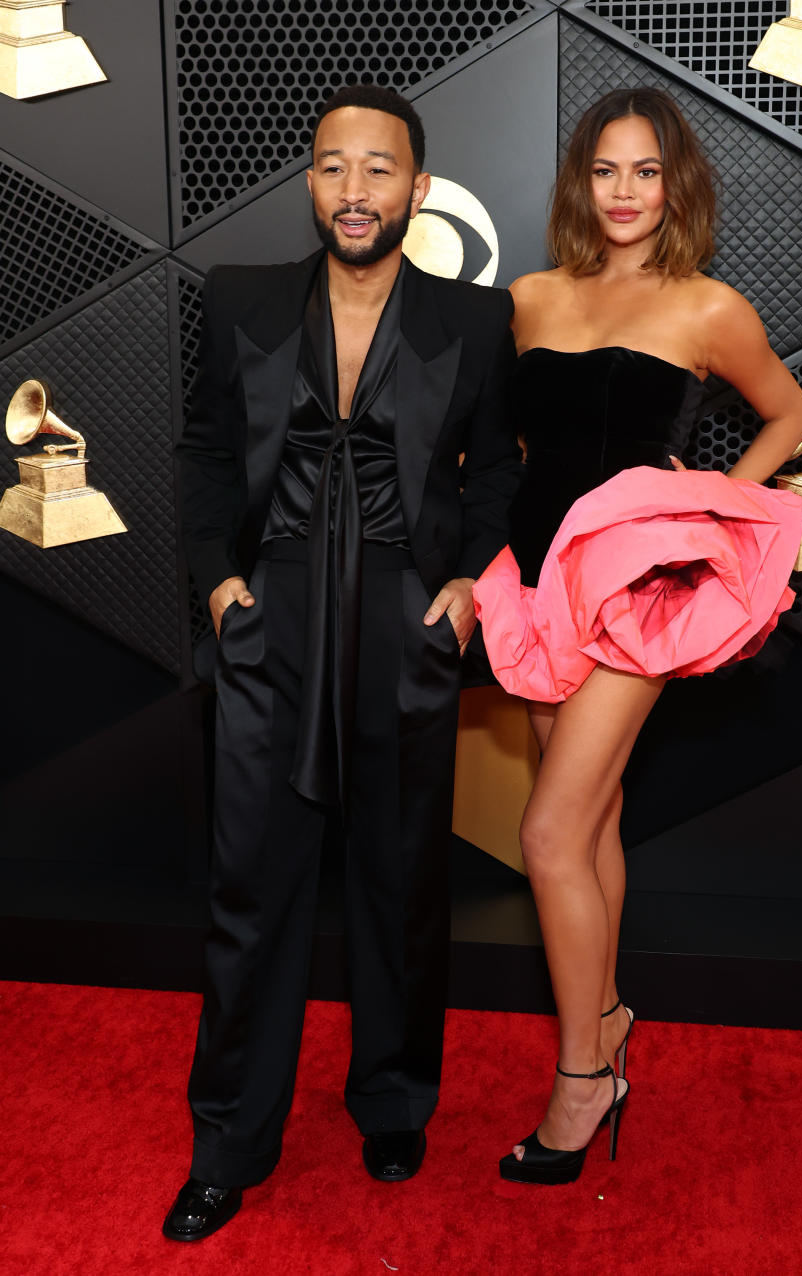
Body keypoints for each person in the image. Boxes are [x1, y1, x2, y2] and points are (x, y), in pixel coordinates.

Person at [164, 84, 522, 1240]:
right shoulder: (237, 299)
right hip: (271, 619)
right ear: (309, 182)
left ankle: (393, 1099)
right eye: (333, 167)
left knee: (402, 879)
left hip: (405, 626)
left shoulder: (473, 319)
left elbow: (495, 474)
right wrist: (220, 585)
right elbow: (207, 450)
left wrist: (467, 586)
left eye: (380, 169)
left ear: (419, 189)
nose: (354, 190)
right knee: (250, 889)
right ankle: (230, 1139)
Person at [473, 87, 802, 1185]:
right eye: (606, 171)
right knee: (597, 816)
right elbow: (518, 437)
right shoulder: (526, 296)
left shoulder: (709, 306)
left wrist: (714, 493)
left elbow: (792, 411)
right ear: (581, 183)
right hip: (533, 575)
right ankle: (609, 1017)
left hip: (636, 592)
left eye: (647, 172)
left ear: (678, 186)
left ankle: (582, 1079)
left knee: (548, 834)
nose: (624, 192)